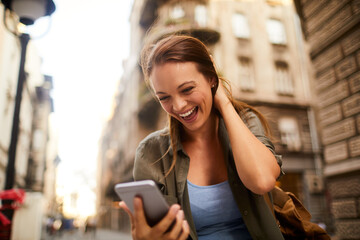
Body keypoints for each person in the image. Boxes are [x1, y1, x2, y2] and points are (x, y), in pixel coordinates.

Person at [120, 35, 284, 240]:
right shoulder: (151, 152)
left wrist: (223, 102)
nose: (178, 106)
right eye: (164, 97)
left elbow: (261, 181)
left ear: (211, 78)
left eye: (187, 89)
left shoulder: (246, 122)